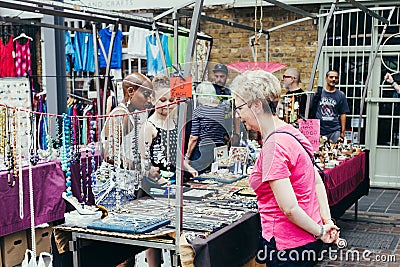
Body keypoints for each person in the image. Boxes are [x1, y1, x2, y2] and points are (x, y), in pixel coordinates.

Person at [231, 70, 340, 267]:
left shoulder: (275, 145)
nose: (238, 115)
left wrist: (322, 231)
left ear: (256, 105)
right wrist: (325, 221)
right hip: (306, 239)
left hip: (287, 245)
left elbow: (289, 208)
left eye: (239, 107)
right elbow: (315, 180)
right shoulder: (291, 132)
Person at [139, 74, 198, 185]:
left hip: (174, 181)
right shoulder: (148, 127)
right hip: (155, 185)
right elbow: (143, 161)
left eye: (171, 100)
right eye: (162, 100)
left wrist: (187, 167)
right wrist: (158, 179)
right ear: (152, 99)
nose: (167, 104)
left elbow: (175, 155)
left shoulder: (174, 123)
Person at [185, 81, 228, 173]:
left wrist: (187, 157)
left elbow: (194, 137)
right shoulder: (221, 109)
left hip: (204, 150)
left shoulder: (199, 110)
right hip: (219, 149)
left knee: (198, 176)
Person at [311, 70, 349, 143]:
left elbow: (343, 114)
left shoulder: (340, 95)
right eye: (331, 77)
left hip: (334, 130)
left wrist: (342, 132)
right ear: (326, 78)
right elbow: (311, 109)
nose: (333, 79)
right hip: (319, 130)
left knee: (334, 152)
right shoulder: (318, 93)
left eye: (336, 78)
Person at [212, 63, 241, 141]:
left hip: (228, 130)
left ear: (226, 76)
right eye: (216, 76)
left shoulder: (230, 92)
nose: (219, 79)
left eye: (222, 76)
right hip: (214, 131)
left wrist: (237, 133)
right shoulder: (211, 91)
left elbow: (236, 112)